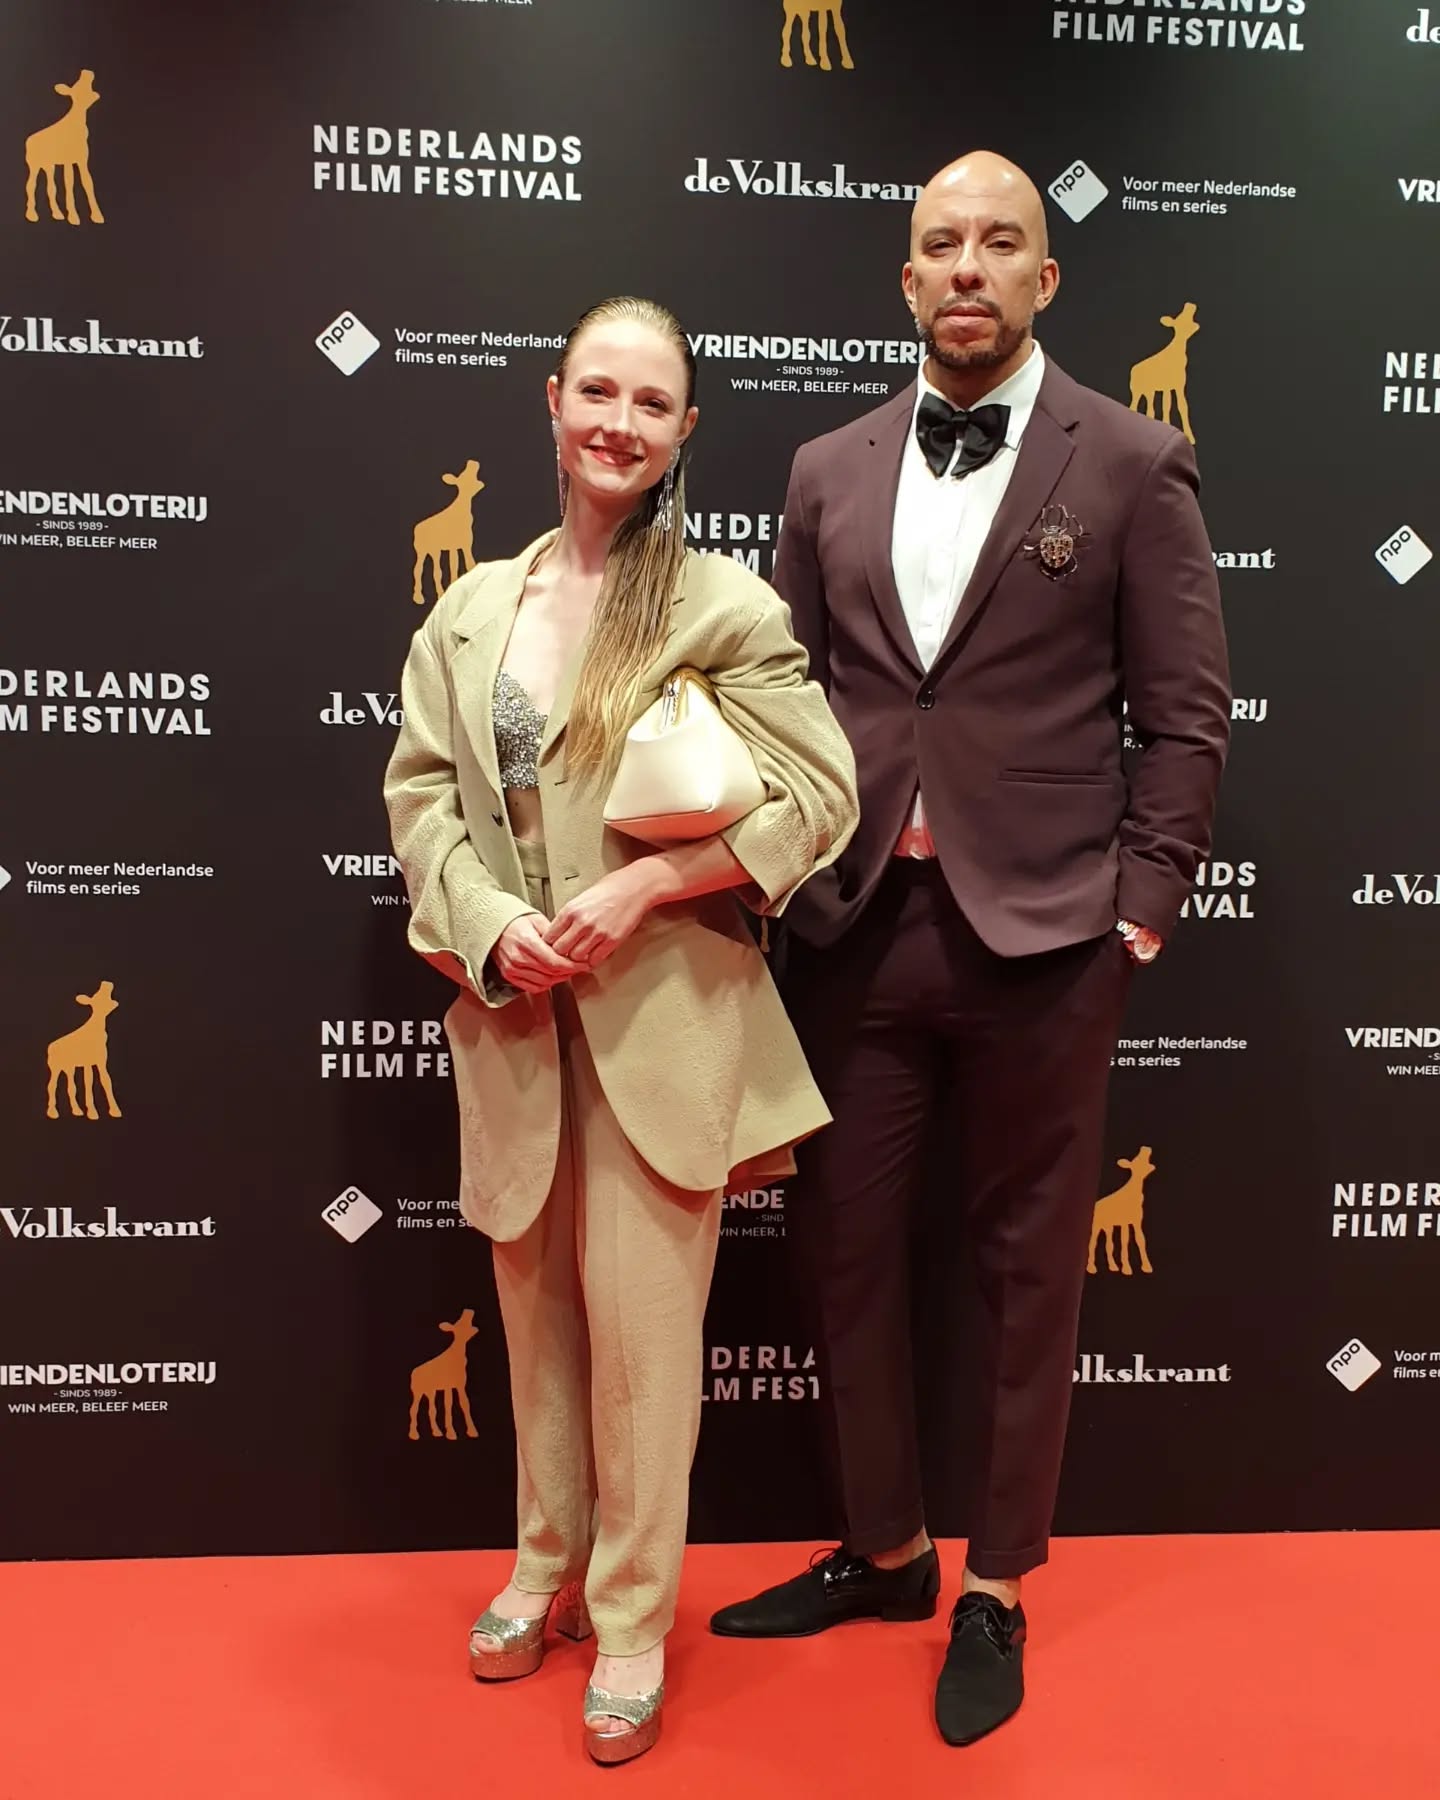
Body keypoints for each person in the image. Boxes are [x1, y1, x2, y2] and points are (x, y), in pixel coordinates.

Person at [710, 153, 1231, 1746]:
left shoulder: (1133, 460)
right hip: (854, 926)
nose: (968, 267)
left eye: (1002, 243)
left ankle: (995, 1585)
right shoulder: (825, 467)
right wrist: (774, 884)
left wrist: (1140, 907)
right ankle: (885, 1553)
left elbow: (1186, 716)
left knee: (1023, 1275)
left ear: (1045, 279)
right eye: (941, 243)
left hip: (1048, 938)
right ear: (906, 273)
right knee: (845, 1258)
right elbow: (778, 705)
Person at [383, 296, 858, 1766]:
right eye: (599, 392)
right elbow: (420, 797)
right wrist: (486, 924)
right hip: (513, 1016)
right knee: (533, 1325)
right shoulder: (471, 608)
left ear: (684, 431)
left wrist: (653, 882)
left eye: (652, 404)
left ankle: (635, 1616)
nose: (620, 423)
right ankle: (545, 1568)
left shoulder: (723, 605)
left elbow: (823, 797)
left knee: (647, 1344)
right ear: (553, 400)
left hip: (665, 1022)